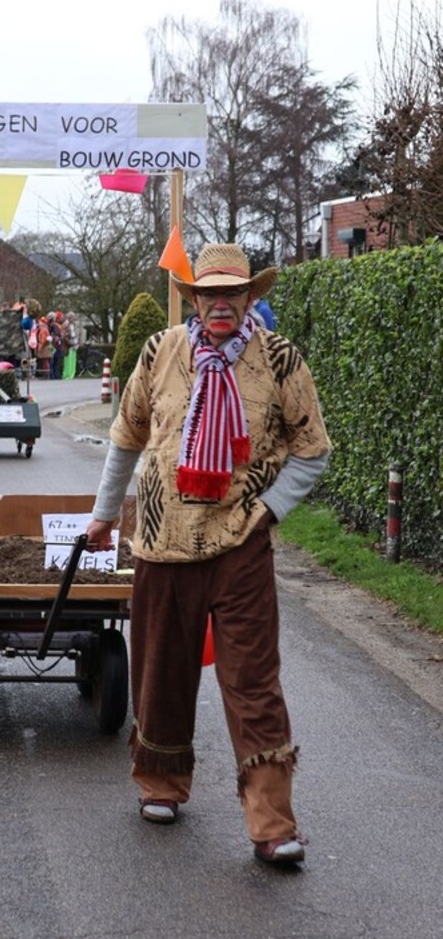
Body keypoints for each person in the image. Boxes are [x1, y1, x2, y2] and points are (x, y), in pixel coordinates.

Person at [86, 243, 331, 867]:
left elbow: (313, 449)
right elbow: (126, 437)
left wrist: (270, 509)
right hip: (163, 541)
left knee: (253, 681)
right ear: (194, 299)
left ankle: (272, 824)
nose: (221, 303)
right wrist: (104, 514)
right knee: (161, 669)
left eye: (233, 292)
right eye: (210, 293)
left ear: (250, 297)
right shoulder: (159, 352)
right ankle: (161, 785)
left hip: (241, 545)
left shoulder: (279, 359)